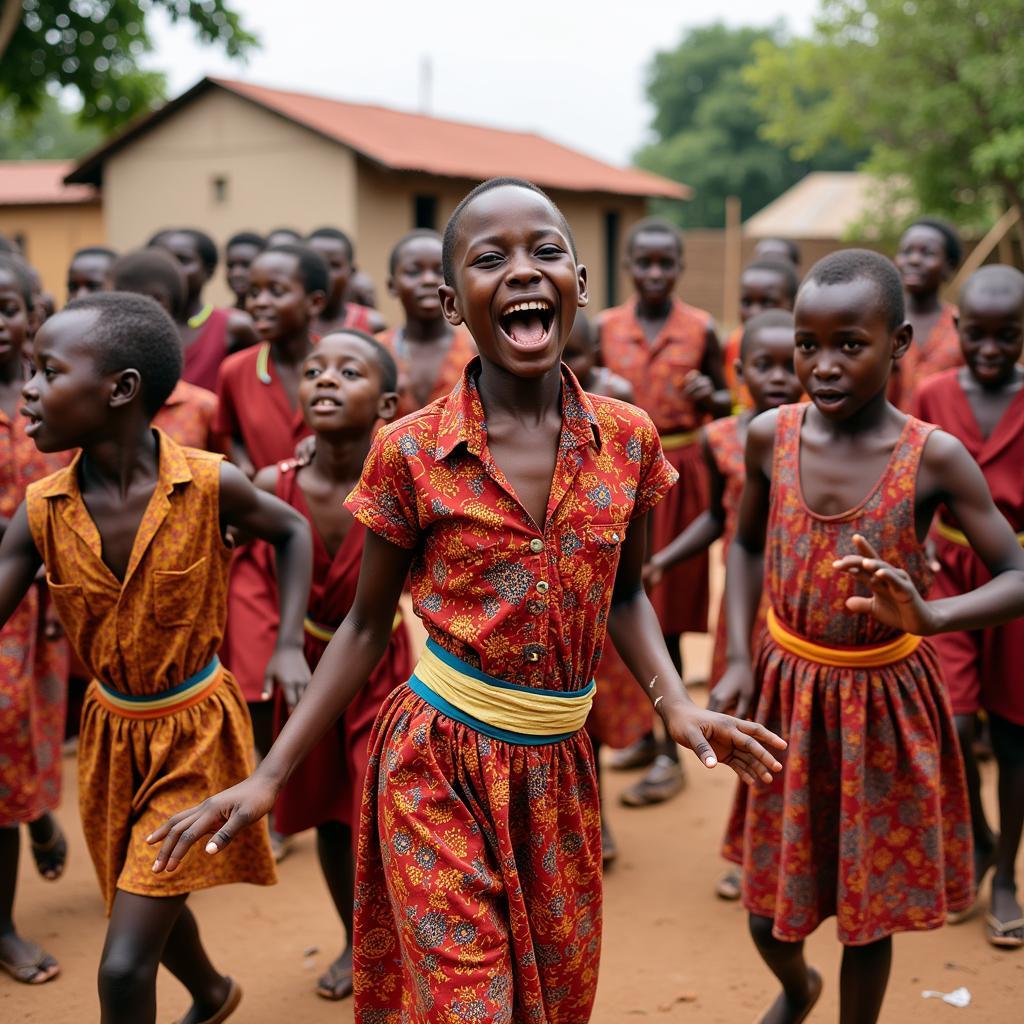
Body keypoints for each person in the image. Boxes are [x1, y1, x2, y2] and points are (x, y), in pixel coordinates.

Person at [149, 177, 786, 1023]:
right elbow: (367, 626)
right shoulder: (409, 452)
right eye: (492, 260)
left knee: (551, 1004)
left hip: (558, 770)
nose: (523, 271)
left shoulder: (626, 440)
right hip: (433, 766)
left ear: (581, 286)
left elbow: (626, 594)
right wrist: (271, 776)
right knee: (468, 1006)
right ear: (454, 302)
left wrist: (677, 706)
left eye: (546, 251)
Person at [720, 249, 1024, 1024]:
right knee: (765, 911)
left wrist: (934, 617)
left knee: (867, 909)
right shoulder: (771, 437)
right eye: (807, 344)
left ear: (900, 343)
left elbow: (1015, 573)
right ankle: (797, 987)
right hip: (786, 691)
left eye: (849, 344)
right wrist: (732, 657)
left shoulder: (934, 457)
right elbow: (748, 543)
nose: (822, 365)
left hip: (883, 704)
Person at [1, 291, 313, 1023]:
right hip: (112, 738)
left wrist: (291, 640)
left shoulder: (209, 484)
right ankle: (211, 991)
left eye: (49, 371)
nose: (30, 388)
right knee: (143, 889)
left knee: (121, 968)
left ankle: (193, 989)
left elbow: (293, 531)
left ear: (120, 389)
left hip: (195, 733)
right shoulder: (41, 510)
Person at [253, 330, 410, 1000]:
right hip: (306, 668)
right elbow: (246, 570)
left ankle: (406, 937)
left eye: (348, 371)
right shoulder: (274, 483)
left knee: (385, 811)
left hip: (382, 665)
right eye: (314, 370)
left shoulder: (406, 476)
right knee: (327, 815)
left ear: (387, 404)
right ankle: (355, 941)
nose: (324, 380)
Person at [645, 310, 802, 900]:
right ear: (740, 373)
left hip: (802, 603)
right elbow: (717, 519)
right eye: (764, 366)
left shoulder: (818, 437)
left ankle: (800, 847)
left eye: (790, 364)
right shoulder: (721, 440)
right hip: (745, 608)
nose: (780, 378)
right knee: (754, 729)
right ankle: (754, 848)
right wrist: (664, 559)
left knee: (799, 729)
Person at [599, 216, 731, 807]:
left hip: (681, 478)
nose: (654, 273)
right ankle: (640, 734)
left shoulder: (701, 328)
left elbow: (729, 398)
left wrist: (713, 396)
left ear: (679, 267)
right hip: (618, 476)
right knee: (619, 607)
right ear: (629, 266)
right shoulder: (605, 327)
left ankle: (667, 752)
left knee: (668, 615)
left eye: (665, 263)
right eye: (643, 262)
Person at [912, 265, 1024, 950]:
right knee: (951, 724)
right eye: (977, 334)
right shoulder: (930, 391)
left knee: (1014, 738)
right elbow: (910, 478)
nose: (989, 349)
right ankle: (979, 840)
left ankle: (1006, 874)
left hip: (1018, 576)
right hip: (947, 571)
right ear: (957, 329)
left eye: (1006, 336)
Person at [215, 243, 326, 852]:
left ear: (312, 302)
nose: (259, 301)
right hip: (264, 542)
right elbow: (226, 438)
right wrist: (259, 474)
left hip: (334, 535)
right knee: (259, 668)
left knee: (324, 658)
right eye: (252, 291)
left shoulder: (335, 362)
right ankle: (271, 783)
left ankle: (321, 785)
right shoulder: (237, 370)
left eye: (275, 291)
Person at [0, 255, 70, 987]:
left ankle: (35, 815)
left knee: (24, 734)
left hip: (47, 606)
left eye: (7, 308)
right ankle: (5, 923)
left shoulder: (50, 395)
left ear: (29, 314)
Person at [562, 310, 638, 862]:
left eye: (580, 353)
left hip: (597, 617)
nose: (570, 364)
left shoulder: (619, 427)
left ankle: (598, 820)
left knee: (591, 723)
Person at [108, 248, 227, 453]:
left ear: (154, 303)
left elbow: (222, 475)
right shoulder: (92, 402)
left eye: (111, 304)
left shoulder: (202, 408)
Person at [376, 229, 477, 416]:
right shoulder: (375, 352)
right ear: (391, 286)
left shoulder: (474, 350)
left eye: (440, 271)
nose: (429, 280)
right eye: (413, 272)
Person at [150, 228, 256, 392]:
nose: (171, 269)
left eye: (183, 260)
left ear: (209, 270)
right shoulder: (145, 326)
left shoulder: (234, 326)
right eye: (163, 260)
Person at [891, 217, 963, 410]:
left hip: (947, 436)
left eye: (927, 253)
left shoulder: (963, 326)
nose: (914, 260)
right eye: (906, 252)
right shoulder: (882, 322)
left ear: (949, 265)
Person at [721, 260, 798, 410]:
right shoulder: (732, 345)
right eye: (747, 302)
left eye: (767, 302)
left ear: (793, 303)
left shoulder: (807, 348)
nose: (754, 312)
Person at [307, 228, 385, 336]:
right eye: (316, 264)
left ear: (351, 272)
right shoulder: (293, 323)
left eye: (334, 265)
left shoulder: (372, 324)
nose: (324, 273)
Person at [224, 231, 265, 311]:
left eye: (246, 265)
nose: (236, 273)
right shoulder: (223, 320)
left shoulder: (276, 320)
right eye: (230, 266)